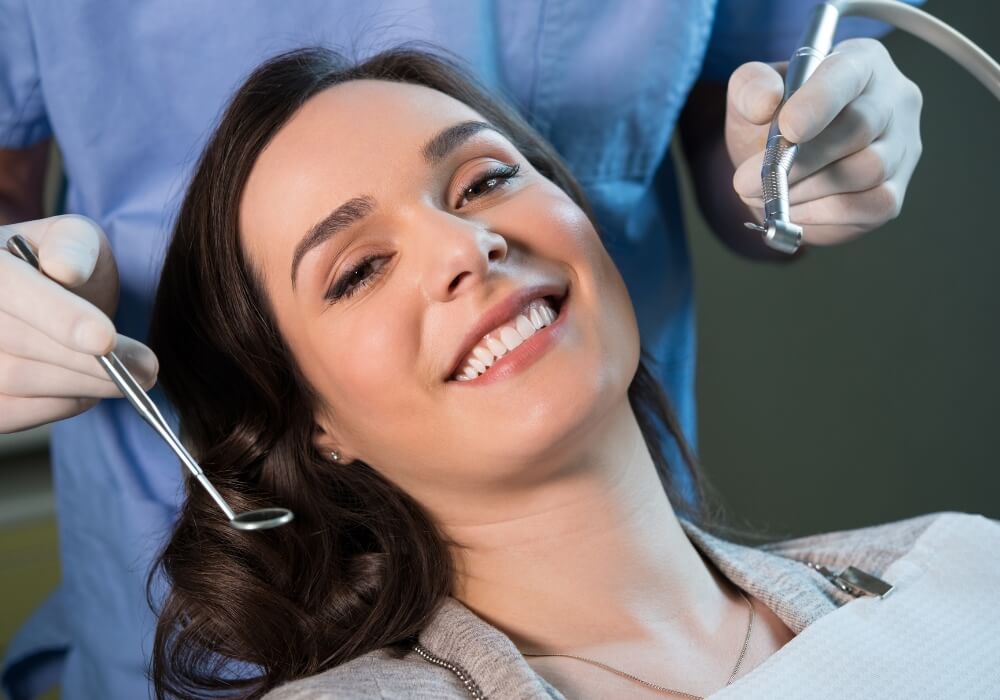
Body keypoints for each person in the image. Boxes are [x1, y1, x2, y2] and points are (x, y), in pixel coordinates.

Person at [0, 2, 925, 698]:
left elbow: (762, 111)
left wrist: (806, 154)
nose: (465, 246)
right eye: (356, 271)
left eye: (485, 180)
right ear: (312, 420)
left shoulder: (951, 572)